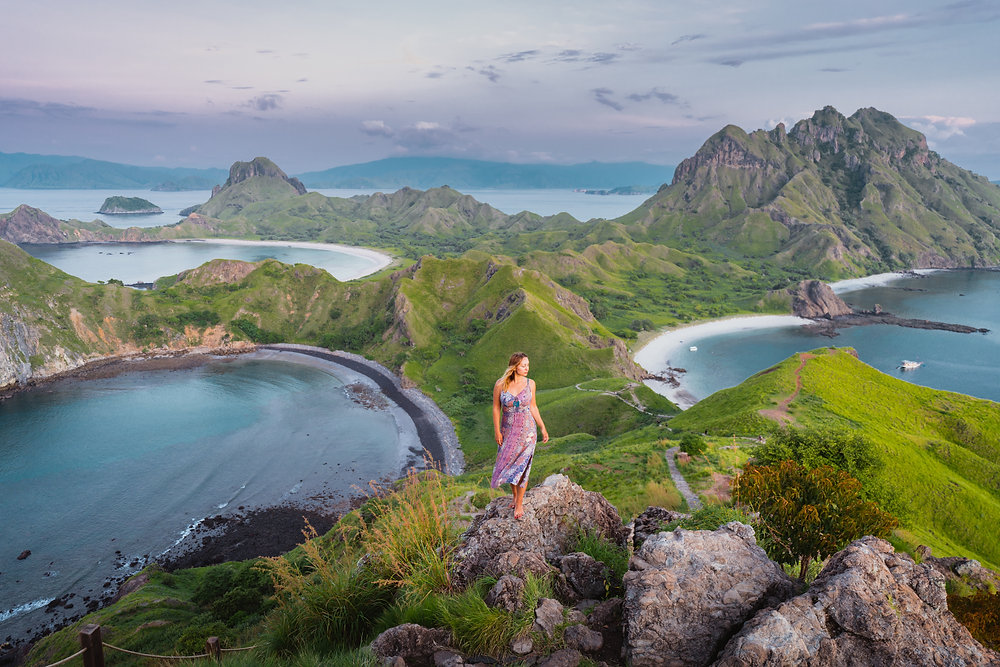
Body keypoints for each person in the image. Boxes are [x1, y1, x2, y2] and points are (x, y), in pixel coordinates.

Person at [491, 352, 549, 518]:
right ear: (514, 366)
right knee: (509, 465)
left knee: (523, 467)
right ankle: (515, 495)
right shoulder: (500, 384)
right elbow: (496, 408)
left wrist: (542, 427)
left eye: (528, 365)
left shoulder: (531, 384)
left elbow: (533, 407)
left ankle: (519, 503)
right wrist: (497, 431)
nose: (527, 368)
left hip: (527, 432)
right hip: (508, 431)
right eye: (524, 365)